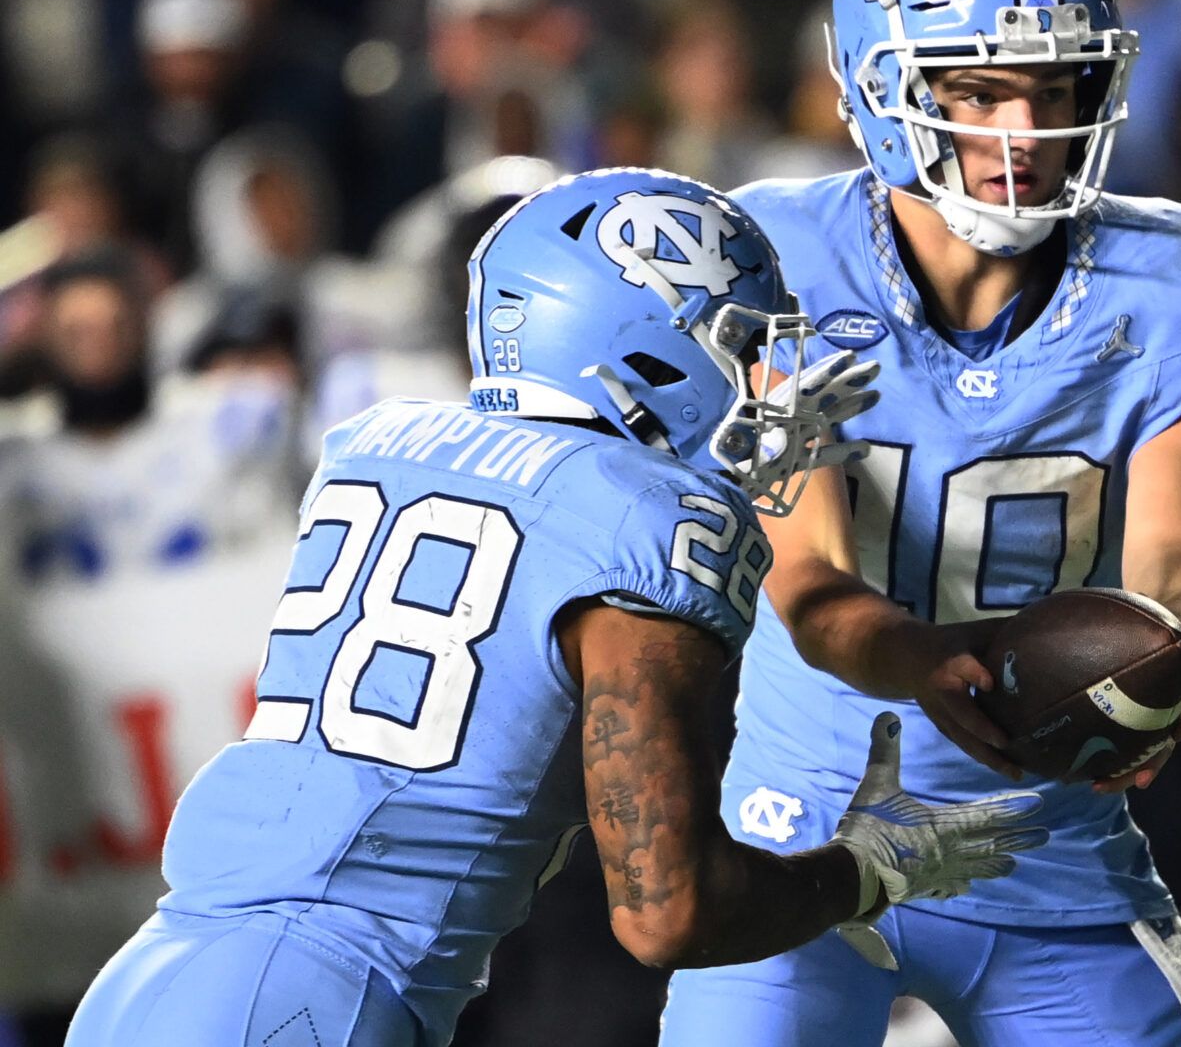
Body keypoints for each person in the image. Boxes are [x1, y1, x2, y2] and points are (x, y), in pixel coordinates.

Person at [62, 167, 1049, 1047]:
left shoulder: (382, 440)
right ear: (645, 356)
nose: (766, 385)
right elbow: (668, 906)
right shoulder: (650, 518)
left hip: (159, 968)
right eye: (740, 348)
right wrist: (870, 866)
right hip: (315, 998)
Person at [660, 0, 1181, 1047]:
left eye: (1056, 89)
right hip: (806, 838)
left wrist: (1175, 661)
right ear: (883, 87)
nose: (1023, 135)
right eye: (980, 90)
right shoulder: (778, 259)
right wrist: (934, 658)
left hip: (1050, 846)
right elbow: (811, 584)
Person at [0, 251, 300, 1046]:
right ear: (45, 343)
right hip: (73, 804)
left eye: (113, 326)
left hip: (200, 771)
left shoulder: (231, 424)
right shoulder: (9, 460)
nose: (96, 346)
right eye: (75, 330)